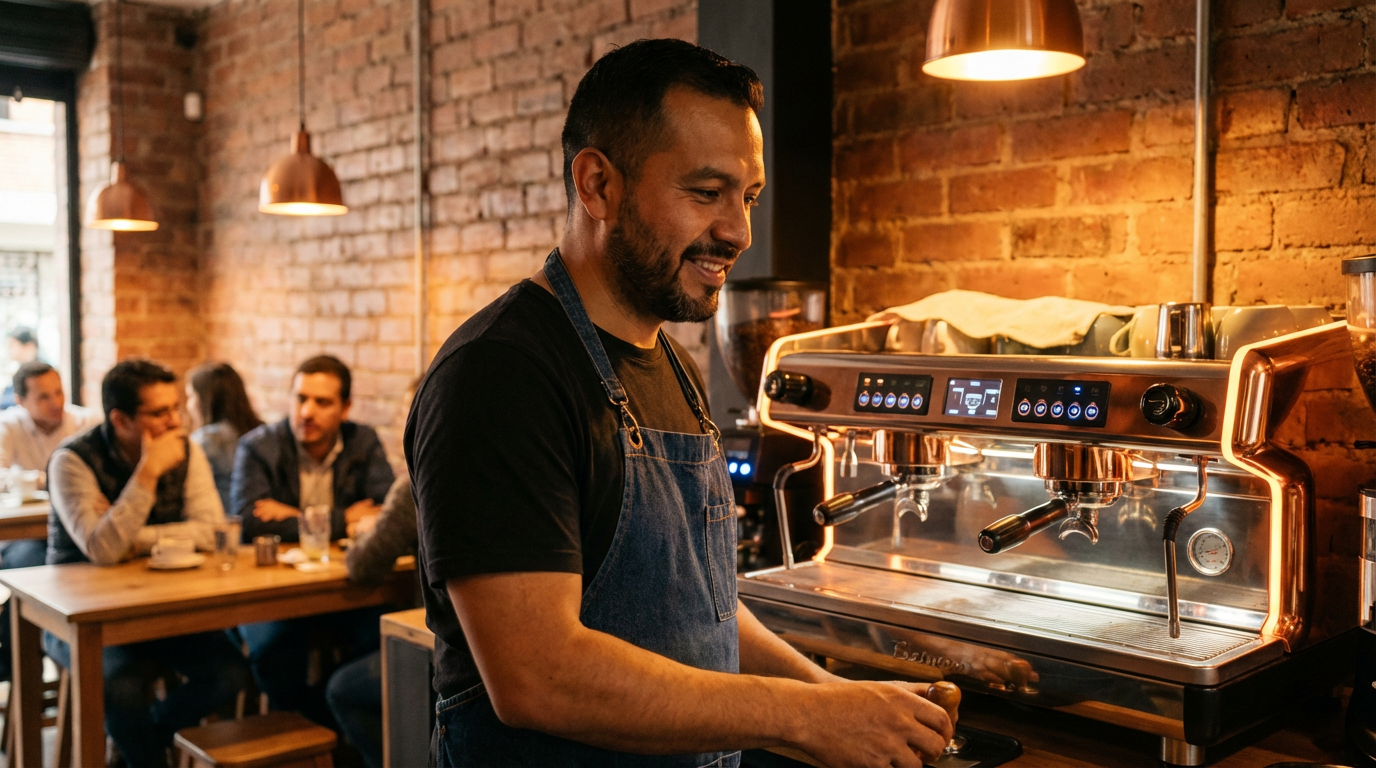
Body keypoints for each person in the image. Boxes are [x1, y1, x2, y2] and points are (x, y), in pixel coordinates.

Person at [407, 39, 953, 768]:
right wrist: (800, 718)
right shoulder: (501, 375)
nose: (739, 232)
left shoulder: (671, 366)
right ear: (598, 185)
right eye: (706, 193)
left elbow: (705, 612)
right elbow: (538, 676)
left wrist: (839, 703)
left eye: (748, 196)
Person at [46, 358, 249, 767]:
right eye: (160, 413)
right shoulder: (71, 461)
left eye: (176, 407)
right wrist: (147, 474)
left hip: (161, 609)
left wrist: (131, 539)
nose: (176, 421)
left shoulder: (186, 449)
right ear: (120, 420)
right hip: (81, 618)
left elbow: (211, 531)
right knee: (122, 688)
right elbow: (102, 551)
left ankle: (140, 749)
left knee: (231, 673)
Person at [231, 354, 395, 725]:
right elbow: (250, 523)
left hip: (341, 589)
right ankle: (312, 729)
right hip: (271, 592)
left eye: (322, 402)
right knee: (275, 651)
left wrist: (292, 516)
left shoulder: (363, 442)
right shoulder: (258, 447)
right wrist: (341, 518)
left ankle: (337, 719)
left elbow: (383, 511)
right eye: (300, 398)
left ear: (346, 407)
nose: (307, 411)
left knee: (383, 634)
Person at [325, 469, 420, 768]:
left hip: (440, 647)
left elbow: (362, 565)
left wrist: (365, 529)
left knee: (341, 690)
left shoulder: (415, 483)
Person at [186, 361, 263, 512]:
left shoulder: (204, 440)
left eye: (191, 396)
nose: (189, 404)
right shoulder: (262, 432)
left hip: (221, 525)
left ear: (206, 399)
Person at [1, 326, 40, 409]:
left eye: (12, 345)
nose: (9, 350)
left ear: (29, 346)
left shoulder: (40, 373)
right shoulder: (20, 370)